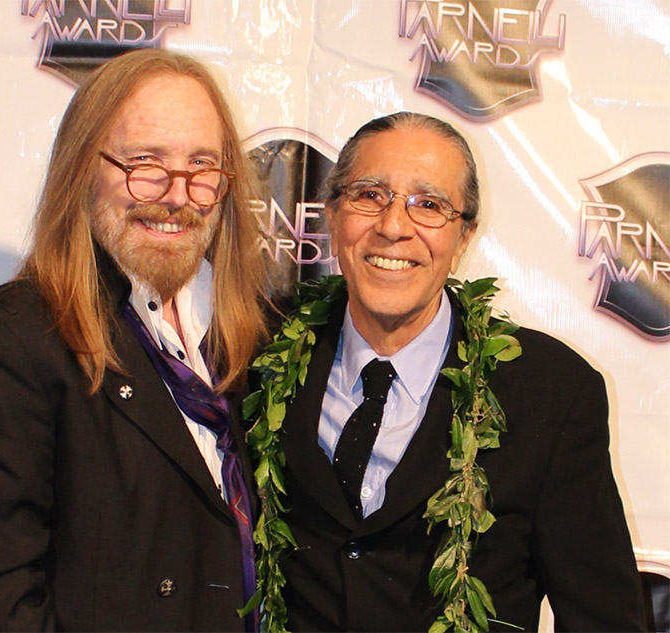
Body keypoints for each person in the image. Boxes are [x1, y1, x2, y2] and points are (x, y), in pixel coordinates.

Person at [0, 49, 269, 632]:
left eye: (202, 165)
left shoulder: (259, 336)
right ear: (83, 168)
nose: (178, 195)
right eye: (144, 162)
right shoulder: (5, 345)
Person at [274, 112, 646, 631]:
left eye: (429, 205)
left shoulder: (551, 390)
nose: (393, 226)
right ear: (333, 216)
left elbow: (605, 617)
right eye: (369, 195)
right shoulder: (265, 353)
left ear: (464, 236)